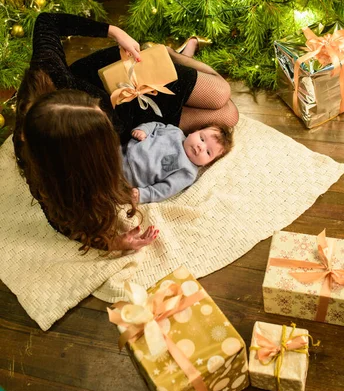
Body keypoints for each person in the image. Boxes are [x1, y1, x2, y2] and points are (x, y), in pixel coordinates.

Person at [13, 13, 238, 255]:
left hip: (117, 81)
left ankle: (174, 56)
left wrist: (114, 31)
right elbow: (65, 223)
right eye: (105, 134)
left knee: (221, 93)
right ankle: (179, 63)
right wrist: (115, 243)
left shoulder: (48, 71)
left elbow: (47, 21)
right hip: (135, 124)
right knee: (228, 116)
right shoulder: (52, 177)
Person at [122, 122, 234, 203]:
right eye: (202, 139)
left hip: (128, 177)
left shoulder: (187, 171)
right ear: (193, 132)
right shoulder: (175, 131)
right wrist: (144, 130)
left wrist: (143, 195)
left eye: (208, 152)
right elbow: (156, 126)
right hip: (123, 151)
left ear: (207, 163)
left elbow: (166, 189)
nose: (201, 147)